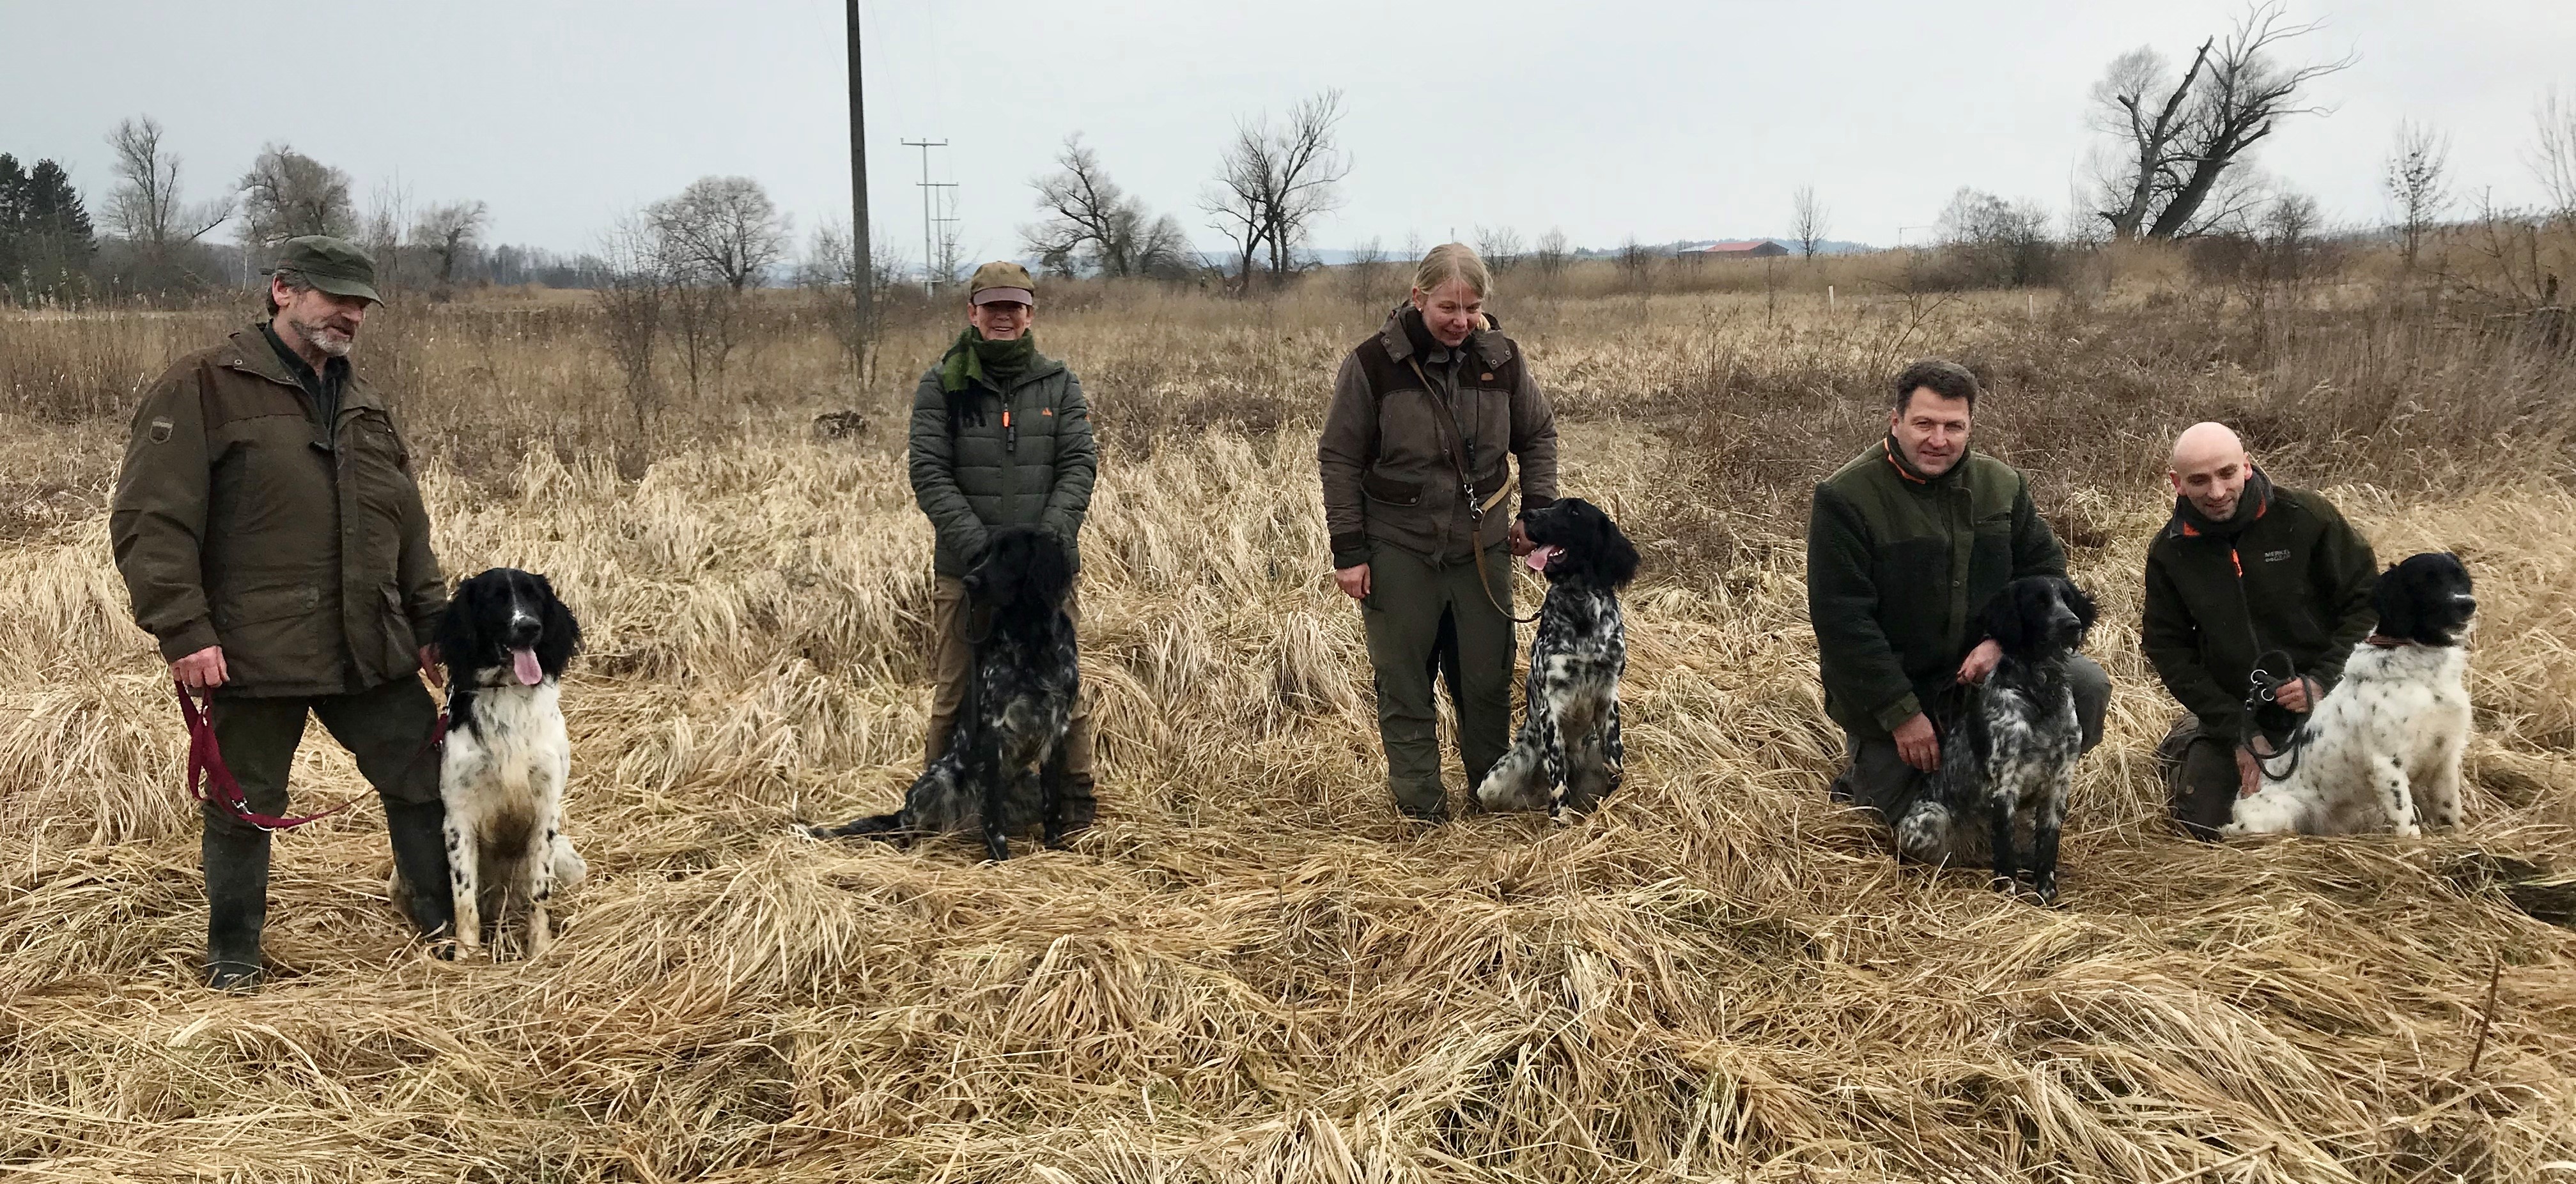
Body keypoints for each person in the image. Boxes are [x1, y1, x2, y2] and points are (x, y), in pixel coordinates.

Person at [109, 236, 453, 990]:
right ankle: (233, 956)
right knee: (245, 803)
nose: (351, 313)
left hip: (366, 642)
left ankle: (442, 928)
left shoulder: (364, 404)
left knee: (425, 777)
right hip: (251, 647)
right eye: (335, 296)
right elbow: (150, 519)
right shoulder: (203, 384)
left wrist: (433, 623)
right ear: (283, 291)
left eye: (361, 301)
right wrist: (185, 628)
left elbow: (408, 525)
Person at [1807, 358, 2109, 822]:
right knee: (1914, 835)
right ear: (1896, 420)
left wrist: (2000, 643)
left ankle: (2023, 785)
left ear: (1971, 426)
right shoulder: (1846, 498)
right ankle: (1867, 772)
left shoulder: (2003, 486)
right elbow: (1842, 621)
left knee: (2086, 683)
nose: (1938, 439)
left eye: (1954, 426)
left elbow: (2046, 571)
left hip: (1987, 676)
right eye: (1924, 423)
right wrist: (1902, 716)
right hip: (1900, 690)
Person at [1317, 244, 1559, 822]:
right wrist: (1350, 552)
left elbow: (1539, 434)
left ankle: (1491, 796)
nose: (1461, 321)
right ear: (1417, 295)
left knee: (1487, 680)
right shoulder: (1372, 364)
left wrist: (1537, 513)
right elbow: (1339, 457)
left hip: (1482, 550)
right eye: (1448, 306)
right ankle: (1420, 809)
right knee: (1404, 683)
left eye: (1472, 308)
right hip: (1397, 547)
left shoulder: (1504, 361)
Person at [908, 260, 1100, 832]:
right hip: (968, 574)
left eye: (1013, 306)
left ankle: (1073, 805)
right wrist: (984, 555)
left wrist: (1049, 544)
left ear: (1030, 313)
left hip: (1042, 576)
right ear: (972, 312)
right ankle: (938, 813)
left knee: (1063, 691)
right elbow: (929, 472)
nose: (1003, 316)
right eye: (991, 306)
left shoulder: (1059, 382)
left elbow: (1079, 462)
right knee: (957, 692)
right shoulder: (942, 383)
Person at [2142, 422, 2377, 839]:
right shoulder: (2170, 552)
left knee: (2360, 823)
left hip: (2329, 703)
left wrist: (2323, 680)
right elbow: (2167, 648)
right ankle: (2189, 739)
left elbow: (2368, 602)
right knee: (2204, 826)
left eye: (2227, 473)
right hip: (2237, 712)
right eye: (2199, 480)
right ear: (2177, 483)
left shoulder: (2307, 518)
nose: (2216, 492)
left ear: (2247, 467)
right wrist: (2239, 730)